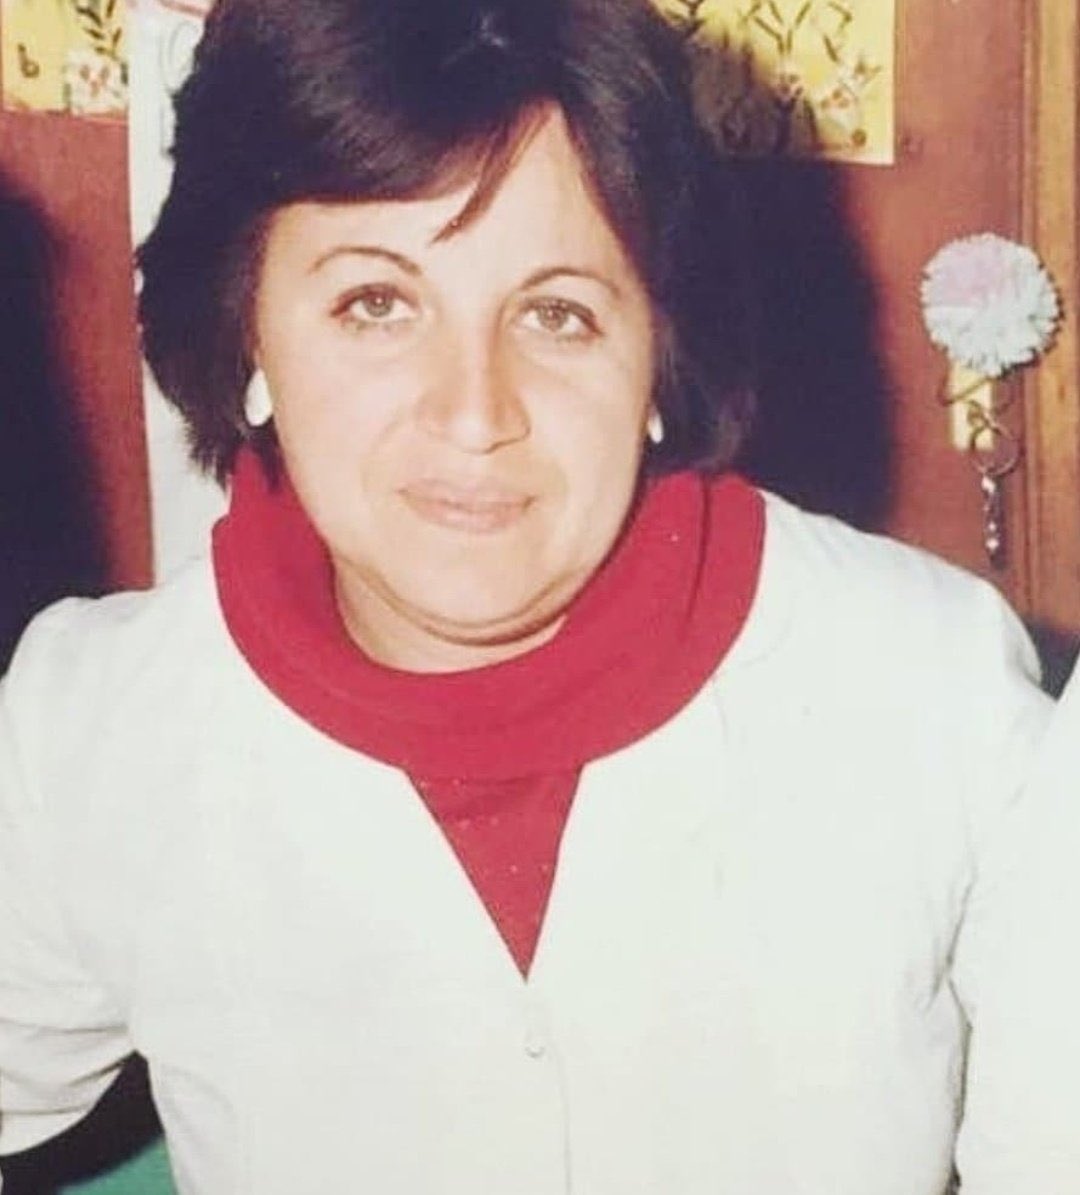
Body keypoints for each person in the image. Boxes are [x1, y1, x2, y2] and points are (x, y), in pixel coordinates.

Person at [0, 1, 1071, 1191]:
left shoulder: (937, 694)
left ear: (658, 357)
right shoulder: (89, 725)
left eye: (558, 315)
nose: (474, 412)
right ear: (246, 329)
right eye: (375, 304)